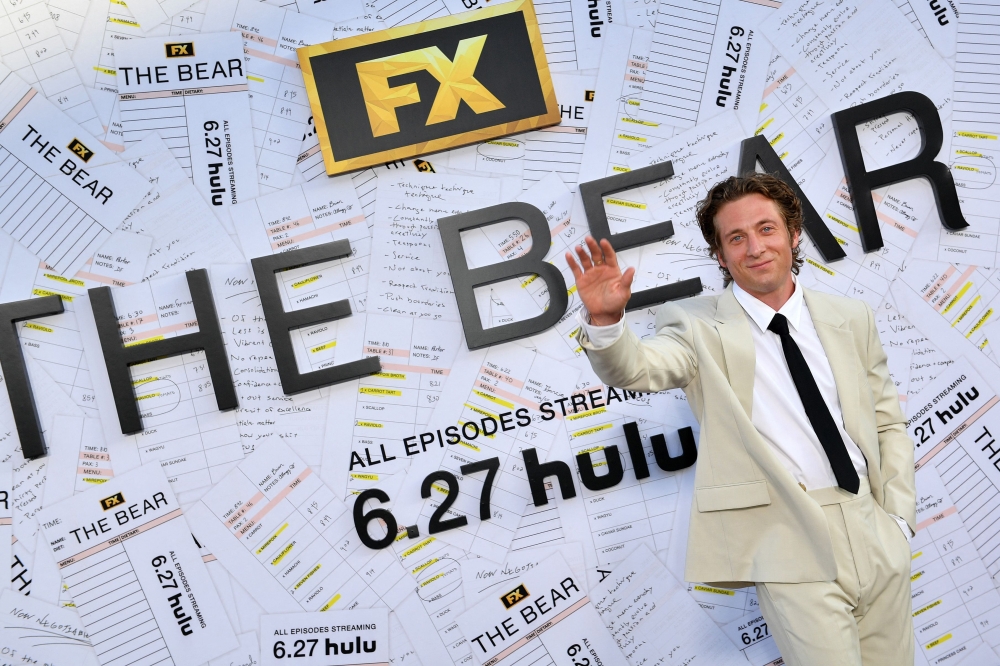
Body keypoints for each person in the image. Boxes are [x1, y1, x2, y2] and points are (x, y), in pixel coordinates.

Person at [566, 173, 915, 666]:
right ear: (720, 256)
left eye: (766, 229)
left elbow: (887, 424)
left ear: (795, 235)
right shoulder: (692, 324)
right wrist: (606, 323)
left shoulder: (850, 316)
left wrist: (898, 522)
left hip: (873, 525)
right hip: (788, 538)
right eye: (736, 238)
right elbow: (639, 369)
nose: (755, 247)